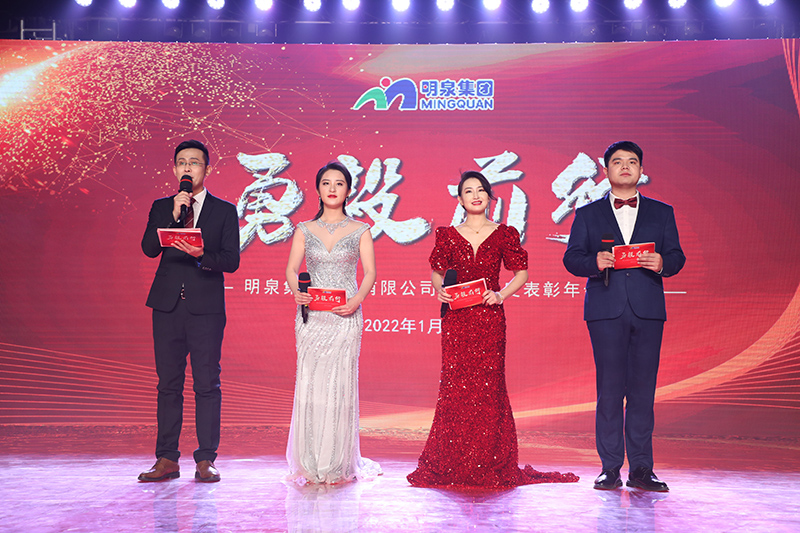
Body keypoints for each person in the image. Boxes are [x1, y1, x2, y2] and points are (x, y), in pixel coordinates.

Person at [408, 171, 579, 488]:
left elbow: (521, 274)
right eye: (468, 191)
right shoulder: (447, 235)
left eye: (480, 190)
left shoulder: (504, 234)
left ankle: (490, 459)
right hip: (457, 320)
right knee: (456, 388)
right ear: (460, 199)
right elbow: (437, 272)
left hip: (489, 320)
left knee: (489, 389)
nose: (475, 195)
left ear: (489, 197)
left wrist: (500, 295)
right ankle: (454, 460)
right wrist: (439, 289)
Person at [563, 141, 685, 492]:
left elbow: (677, 257)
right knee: (610, 390)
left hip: (648, 310)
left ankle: (642, 469)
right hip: (606, 309)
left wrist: (662, 263)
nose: (626, 166)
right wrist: (594, 262)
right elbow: (572, 258)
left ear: (641, 170)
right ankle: (610, 468)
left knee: (643, 391)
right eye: (617, 162)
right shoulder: (588, 214)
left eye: (632, 161)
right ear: (606, 171)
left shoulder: (662, 212)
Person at [138, 139, 240, 483]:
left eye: (194, 162)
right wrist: (171, 216)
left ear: (206, 169)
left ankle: (206, 458)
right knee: (168, 384)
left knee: (207, 384)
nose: (187, 167)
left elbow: (231, 261)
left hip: (205, 308)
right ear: (174, 169)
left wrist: (201, 255)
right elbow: (148, 248)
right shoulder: (162, 206)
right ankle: (166, 458)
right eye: (182, 162)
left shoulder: (223, 211)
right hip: (166, 305)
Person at [284, 161, 381, 485]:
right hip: (311, 317)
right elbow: (291, 269)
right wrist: (297, 292)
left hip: (345, 316)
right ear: (317, 189)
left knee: (339, 385)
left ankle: (336, 462)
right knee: (310, 383)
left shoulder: (360, 230)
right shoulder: (304, 229)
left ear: (348, 190)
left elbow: (370, 272)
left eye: (339, 183)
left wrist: (356, 300)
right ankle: (310, 460)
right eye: (326, 183)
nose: (332, 188)